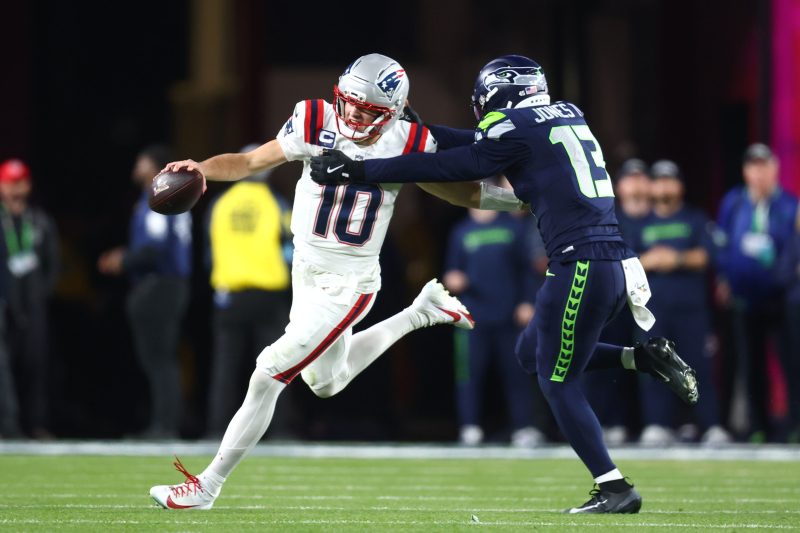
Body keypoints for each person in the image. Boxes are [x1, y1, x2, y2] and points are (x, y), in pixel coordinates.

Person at [311, 54, 699, 514]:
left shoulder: (514, 129)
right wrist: (421, 129)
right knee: (530, 353)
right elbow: (477, 142)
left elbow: (455, 166)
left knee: (558, 382)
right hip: (610, 263)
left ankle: (614, 487)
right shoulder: (565, 114)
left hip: (582, 265)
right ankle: (642, 358)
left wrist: (358, 171)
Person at [150, 53, 527, 510]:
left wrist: (524, 201)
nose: (352, 116)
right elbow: (250, 162)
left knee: (268, 371)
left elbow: (458, 191)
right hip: (305, 271)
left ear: (392, 111)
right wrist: (202, 167)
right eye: (348, 104)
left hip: (349, 282)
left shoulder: (408, 140)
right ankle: (421, 312)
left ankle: (206, 485)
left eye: (366, 111)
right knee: (325, 382)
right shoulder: (314, 119)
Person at [98, 145, 192, 439]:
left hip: (159, 284)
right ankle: (164, 423)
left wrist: (123, 260)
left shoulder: (160, 193)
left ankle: (165, 425)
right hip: (170, 284)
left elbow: (155, 246)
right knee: (160, 358)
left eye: (142, 161)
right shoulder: (175, 192)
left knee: (159, 359)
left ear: (154, 167)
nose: (137, 165)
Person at [636, 160, 730, 445]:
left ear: (680, 186)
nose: (664, 186)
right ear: (651, 187)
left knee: (698, 366)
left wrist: (675, 259)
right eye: (659, 180)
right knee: (654, 366)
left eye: (670, 180)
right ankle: (658, 424)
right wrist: (650, 260)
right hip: (653, 310)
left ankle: (709, 424)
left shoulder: (695, 218)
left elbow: (707, 255)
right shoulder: (640, 223)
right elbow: (625, 260)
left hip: (691, 309)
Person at [204, 147, 292, 438]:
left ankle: (216, 429)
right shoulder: (276, 203)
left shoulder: (220, 204)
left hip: (229, 294)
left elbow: (208, 252)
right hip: (268, 293)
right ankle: (278, 431)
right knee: (278, 367)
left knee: (225, 366)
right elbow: (293, 247)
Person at [715, 143, 798, 442]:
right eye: (753, 166)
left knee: (792, 361)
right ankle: (757, 426)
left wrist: (782, 275)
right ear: (745, 171)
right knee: (750, 364)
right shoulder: (734, 203)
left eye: (764, 166)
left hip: (781, 296)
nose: (759, 173)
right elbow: (722, 243)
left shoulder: (789, 205)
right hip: (745, 298)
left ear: (774, 169)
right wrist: (724, 278)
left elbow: (793, 248)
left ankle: (794, 425)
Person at [443, 205, 544, 447]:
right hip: (471, 318)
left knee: (516, 373)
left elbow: (526, 270)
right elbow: (451, 271)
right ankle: (470, 426)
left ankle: (523, 426)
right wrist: (453, 280)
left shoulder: (512, 227)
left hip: (509, 315)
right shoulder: (461, 231)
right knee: (469, 373)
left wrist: (528, 301)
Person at [0, 159, 60, 439]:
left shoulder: (40, 222)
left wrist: (41, 293)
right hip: (4, 306)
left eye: (19, 182)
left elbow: (52, 264)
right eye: (9, 183)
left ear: (28, 185)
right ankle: (7, 426)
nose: (15, 189)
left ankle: (36, 424)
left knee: (36, 365)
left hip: (34, 306)